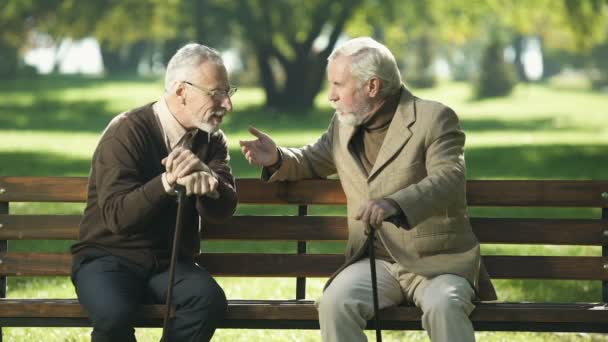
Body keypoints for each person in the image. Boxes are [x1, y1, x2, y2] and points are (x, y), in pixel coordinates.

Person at [239, 37, 496, 342]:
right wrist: (278, 157)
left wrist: (394, 204)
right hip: (373, 264)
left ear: (372, 87)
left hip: (436, 264)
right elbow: (312, 159)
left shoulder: (434, 118)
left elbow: (449, 177)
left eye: (338, 84)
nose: (331, 96)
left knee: (444, 306)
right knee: (335, 302)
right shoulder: (343, 124)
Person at [71, 43, 238, 342]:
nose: (227, 104)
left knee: (207, 300)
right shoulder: (126, 131)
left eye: (228, 92)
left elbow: (225, 209)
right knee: (113, 315)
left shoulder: (212, 140)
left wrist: (209, 183)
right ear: (180, 91)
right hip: (107, 259)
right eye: (216, 93)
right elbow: (116, 217)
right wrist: (167, 183)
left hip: (168, 262)